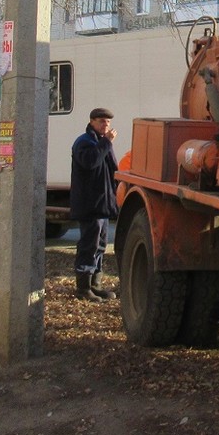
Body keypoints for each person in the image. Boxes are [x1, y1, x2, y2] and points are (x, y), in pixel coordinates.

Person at [71, 107, 119, 301]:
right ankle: (83, 288)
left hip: (102, 205)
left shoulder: (100, 142)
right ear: (91, 122)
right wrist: (107, 142)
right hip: (89, 205)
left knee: (100, 246)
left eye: (107, 122)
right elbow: (91, 162)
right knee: (88, 246)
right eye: (101, 121)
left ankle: (95, 285)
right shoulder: (84, 142)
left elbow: (112, 169)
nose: (105, 125)